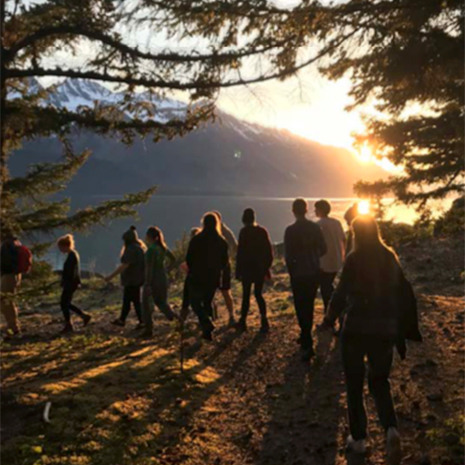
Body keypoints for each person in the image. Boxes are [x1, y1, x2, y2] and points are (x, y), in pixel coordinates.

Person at [321, 216, 421, 464]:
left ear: (356, 233)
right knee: (379, 381)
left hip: (355, 329)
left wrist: (329, 317)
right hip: (384, 330)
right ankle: (391, 429)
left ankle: (359, 440)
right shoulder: (390, 257)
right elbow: (403, 293)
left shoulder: (354, 259)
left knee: (354, 385)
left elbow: (341, 292)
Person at [284, 198, 327, 361]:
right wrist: (314, 258)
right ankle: (305, 335)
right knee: (309, 303)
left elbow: (288, 255)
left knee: (300, 305)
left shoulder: (290, 230)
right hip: (313, 271)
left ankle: (306, 339)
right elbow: (324, 248)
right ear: (306, 209)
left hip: (298, 273)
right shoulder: (315, 228)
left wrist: (291, 270)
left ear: (293, 211)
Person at [186, 213, 228, 341]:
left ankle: (206, 323)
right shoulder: (221, 241)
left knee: (195, 302)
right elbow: (225, 262)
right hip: (213, 277)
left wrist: (193, 270)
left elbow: (189, 258)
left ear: (203, 223)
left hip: (198, 276)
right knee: (207, 302)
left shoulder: (196, 239)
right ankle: (207, 332)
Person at [235, 208, 273, 333]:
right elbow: (269, 252)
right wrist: (266, 267)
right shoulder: (262, 231)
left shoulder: (243, 232)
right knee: (258, 294)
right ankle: (264, 319)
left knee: (246, 295)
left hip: (246, 269)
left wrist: (238, 271)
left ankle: (243, 321)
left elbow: (240, 253)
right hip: (259, 269)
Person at [105, 226, 146, 327]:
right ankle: (123, 319)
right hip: (138, 278)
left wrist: (111, 276)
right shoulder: (139, 248)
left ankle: (142, 321)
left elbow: (125, 265)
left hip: (132, 280)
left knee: (134, 301)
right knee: (129, 300)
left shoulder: (131, 249)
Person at [141, 226, 177, 337]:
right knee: (162, 302)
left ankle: (148, 330)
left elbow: (149, 268)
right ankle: (177, 320)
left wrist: (147, 283)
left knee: (146, 304)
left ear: (149, 237)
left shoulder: (150, 250)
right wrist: (167, 269)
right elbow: (173, 259)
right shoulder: (162, 248)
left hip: (153, 279)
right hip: (162, 277)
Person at [314, 199, 346, 313]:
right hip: (337, 260)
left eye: (316, 209)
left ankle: (330, 312)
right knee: (329, 285)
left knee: (325, 288)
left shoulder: (318, 225)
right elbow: (344, 239)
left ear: (321, 210)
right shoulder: (337, 223)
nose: (314, 211)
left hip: (324, 262)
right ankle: (334, 309)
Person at [57, 234, 91, 333]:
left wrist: (67, 282)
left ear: (65, 246)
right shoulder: (72, 254)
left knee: (64, 303)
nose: (60, 250)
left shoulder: (72, 255)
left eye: (60, 247)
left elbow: (72, 272)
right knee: (66, 303)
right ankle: (83, 316)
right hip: (71, 283)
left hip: (70, 284)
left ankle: (69, 324)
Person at [213, 211, 237, 325]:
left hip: (220, 265)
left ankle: (231, 315)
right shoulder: (224, 232)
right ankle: (216, 314)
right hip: (219, 265)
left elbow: (234, 246)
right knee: (222, 291)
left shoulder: (224, 232)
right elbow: (235, 246)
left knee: (224, 291)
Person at [0, 234, 22, 338]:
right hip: (15, 275)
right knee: (9, 301)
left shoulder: (7, 245)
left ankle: (13, 328)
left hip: (8, 276)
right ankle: (13, 326)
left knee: (6, 301)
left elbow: (5, 263)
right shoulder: (15, 243)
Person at [180, 227, 201, 322]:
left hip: (192, 275)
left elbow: (189, 260)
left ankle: (181, 322)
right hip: (202, 276)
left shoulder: (193, 245)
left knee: (187, 299)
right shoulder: (204, 246)